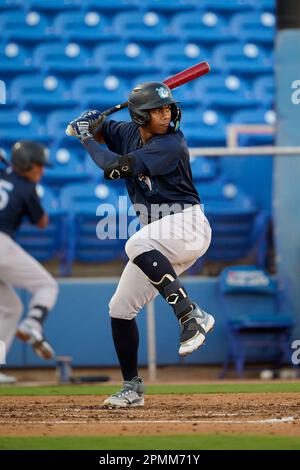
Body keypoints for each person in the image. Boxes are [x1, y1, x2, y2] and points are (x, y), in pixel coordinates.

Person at [69, 82, 215, 407]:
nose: (166, 114)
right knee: (120, 308)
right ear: (139, 117)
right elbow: (104, 127)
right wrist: (91, 120)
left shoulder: (170, 144)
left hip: (188, 225)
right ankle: (132, 388)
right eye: (157, 110)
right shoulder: (129, 132)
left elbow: (112, 168)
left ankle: (190, 315)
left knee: (134, 243)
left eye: (167, 108)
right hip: (160, 237)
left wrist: (84, 137)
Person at [0, 141, 58, 384]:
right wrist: (32, 190)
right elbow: (42, 222)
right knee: (47, 286)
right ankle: (33, 323)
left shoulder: (4, 174)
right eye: (38, 166)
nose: (41, 171)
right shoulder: (26, 187)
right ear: (25, 164)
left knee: (11, 308)